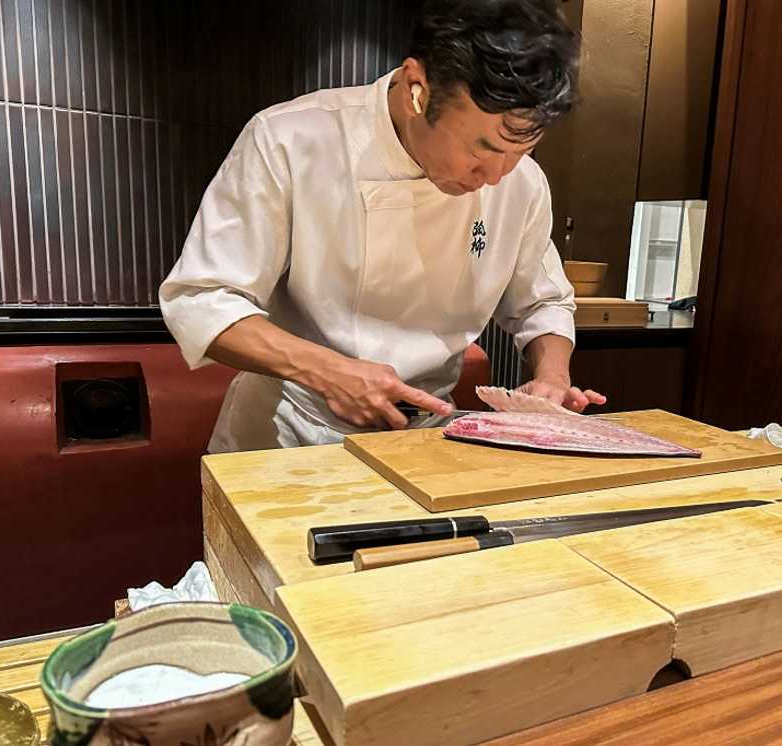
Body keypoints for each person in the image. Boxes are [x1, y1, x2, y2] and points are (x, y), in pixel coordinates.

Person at [160, 0, 605, 453]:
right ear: (418, 88)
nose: (495, 177)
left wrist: (552, 378)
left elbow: (543, 302)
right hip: (287, 435)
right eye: (481, 149)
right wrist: (327, 370)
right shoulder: (291, 139)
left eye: (520, 153)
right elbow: (203, 299)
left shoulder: (523, 184)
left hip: (426, 440)